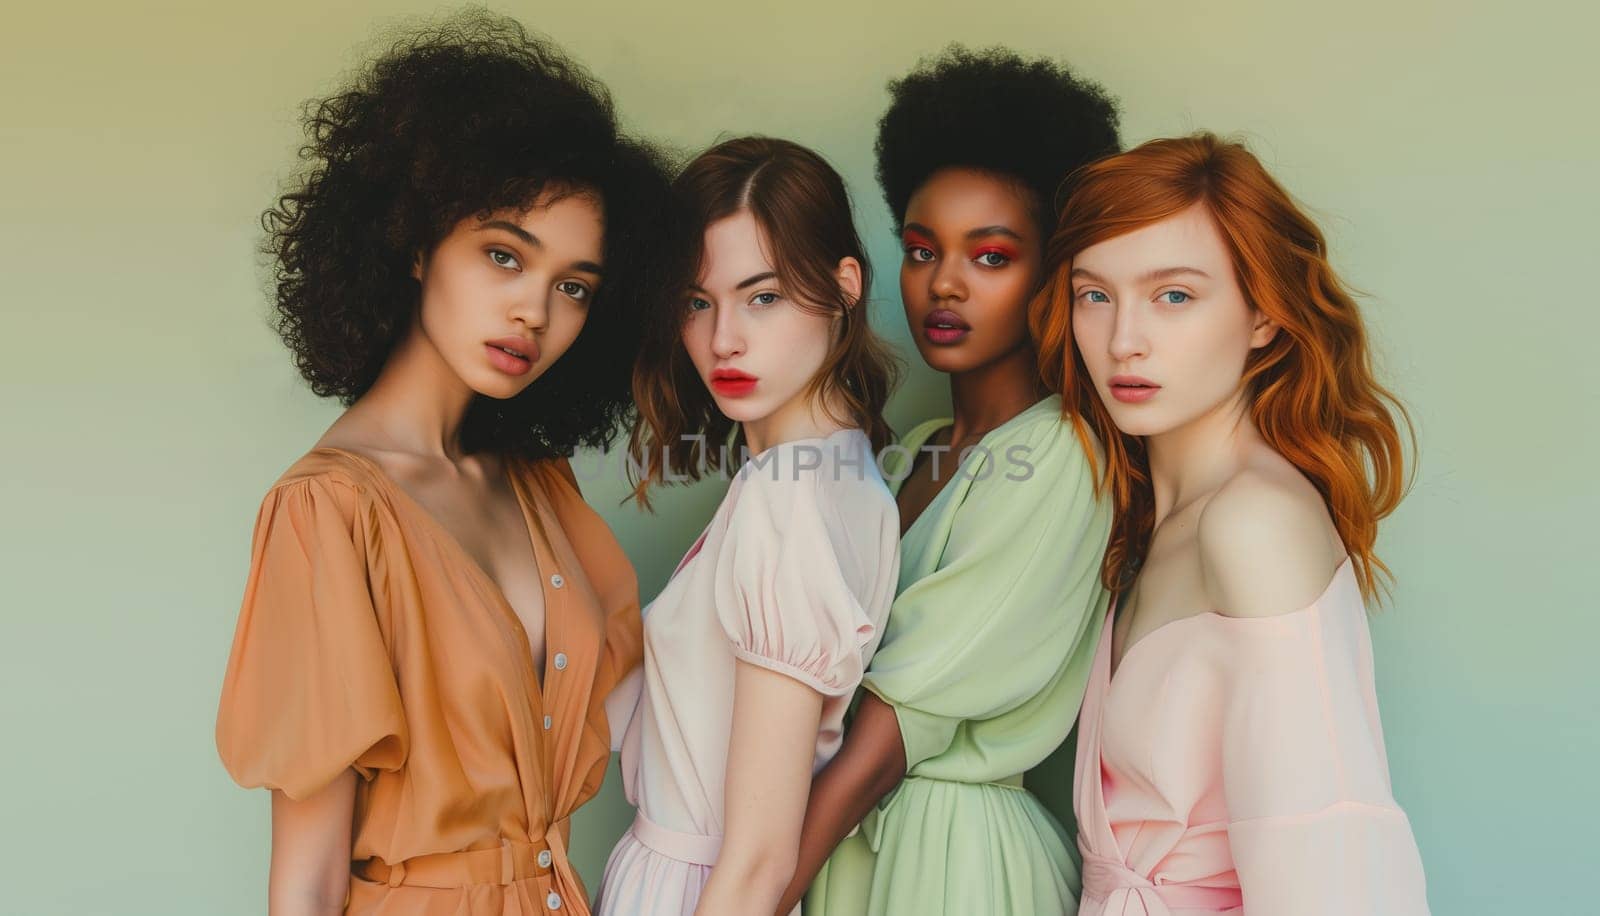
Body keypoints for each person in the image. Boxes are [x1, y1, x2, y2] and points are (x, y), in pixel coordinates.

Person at [214, 14, 685, 915]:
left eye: (573, 286)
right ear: (420, 240)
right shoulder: (329, 514)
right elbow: (306, 883)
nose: (534, 313)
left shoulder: (539, 484)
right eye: (503, 255)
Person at [1037, 132, 1430, 913]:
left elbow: (1330, 869)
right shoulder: (1151, 521)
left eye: (1173, 296)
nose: (1123, 340)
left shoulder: (1254, 525)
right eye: (1095, 295)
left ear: (1263, 317)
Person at [791, 47, 1122, 915]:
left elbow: (894, 727)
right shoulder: (915, 450)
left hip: (951, 864)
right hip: (849, 843)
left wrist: (756, 891)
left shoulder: (1065, 454)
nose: (943, 282)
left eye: (991, 256)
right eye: (922, 249)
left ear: (1052, 271)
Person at [595, 137, 901, 916]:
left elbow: (760, 859)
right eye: (699, 302)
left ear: (843, 288)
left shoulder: (787, 501)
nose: (723, 337)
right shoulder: (840, 474)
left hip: (696, 891)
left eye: (761, 296)